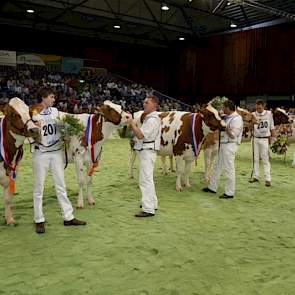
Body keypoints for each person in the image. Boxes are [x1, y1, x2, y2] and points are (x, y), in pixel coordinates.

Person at [32, 86, 86, 234]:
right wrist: (35, 127)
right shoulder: (34, 112)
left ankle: (68, 217)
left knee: (61, 185)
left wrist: (66, 132)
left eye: (54, 97)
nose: (54, 99)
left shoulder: (55, 111)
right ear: (43, 97)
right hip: (41, 153)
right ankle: (39, 219)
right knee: (39, 188)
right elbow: (33, 129)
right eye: (51, 97)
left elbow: (60, 126)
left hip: (56, 152)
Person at [126, 95, 161, 217]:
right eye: (144, 102)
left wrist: (132, 124)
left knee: (145, 180)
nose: (144, 104)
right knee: (148, 179)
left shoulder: (152, 120)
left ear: (153, 105)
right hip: (147, 150)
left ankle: (148, 208)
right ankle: (153, 204)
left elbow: (141, 135)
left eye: (147, 102)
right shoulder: (151, 118)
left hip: (147, 150)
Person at [203, 100, 243, 199]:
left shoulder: (237, 119)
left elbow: (233, 135)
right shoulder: (226, 117)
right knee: (217, 166)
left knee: (229, 168)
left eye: (224, 107)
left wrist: (225, 127)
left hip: (230, 145)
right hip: (222, 144)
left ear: (228, 108)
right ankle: (212, 187)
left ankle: (229, 192)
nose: (222, 109)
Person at [249, 100, 275, 186]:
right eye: (257, 108)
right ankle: (255, 176)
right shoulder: (253, 114)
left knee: (265, 159)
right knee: (255, 159)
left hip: (264, 139)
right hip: (255, 139)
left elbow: (271, 125)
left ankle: (268, 179)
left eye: (260, 108)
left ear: (263, 106)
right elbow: (249, 127)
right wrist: (251, 122)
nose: (258, 109)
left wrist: (272, 137)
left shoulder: (269, 113)